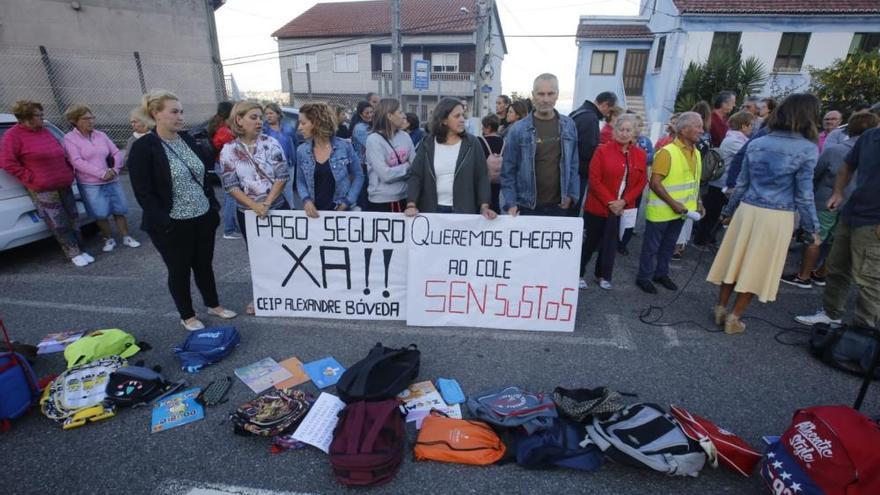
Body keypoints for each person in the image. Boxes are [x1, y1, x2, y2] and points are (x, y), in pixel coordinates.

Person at [708, 93, 822, 334]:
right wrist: (812, 229)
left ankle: (720, 307)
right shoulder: (807, 149)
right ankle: (735, 316)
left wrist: (727, 211)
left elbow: (742, 184)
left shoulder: (759, 142)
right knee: (756, 266)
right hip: (776, 216)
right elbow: (804, 195)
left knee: (734, 260)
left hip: (747, 210)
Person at [127, 90, 237, 331]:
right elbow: (143, 193)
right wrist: (164, 221)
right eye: (174, 112)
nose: (180, 116)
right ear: (156, 114)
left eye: (181, 111)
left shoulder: (187, 139)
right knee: (179, 269)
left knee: (204, 264)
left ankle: (213, 305)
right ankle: (187, 315)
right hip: (171, 222)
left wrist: (212, 209)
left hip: (202, 216)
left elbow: (203, 175)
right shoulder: (144, 147)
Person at [795, 119, 880, 331]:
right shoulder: (870, 137)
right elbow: (847, 166)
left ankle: (864, 332)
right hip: (852, 214)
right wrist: (838, 192)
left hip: (874, 222)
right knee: (837, 267)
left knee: (869, 279)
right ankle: (831, 314)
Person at [781, 112, 878, 289]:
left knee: (815, 238)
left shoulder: (835, 150)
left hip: (827, 200)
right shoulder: (872, 151)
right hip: (852, 205)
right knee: (835, 242)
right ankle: (821, 274)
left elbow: (816, 173)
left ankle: (803, 276)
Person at [1, 100, 93, 267]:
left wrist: (66, 168)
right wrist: (29, 177)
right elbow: (7, 162)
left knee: (73, 217)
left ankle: (82, 248)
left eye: (42, 114)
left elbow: (60, 152)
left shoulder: (44, 131)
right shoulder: (13, 136)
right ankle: (73, 253)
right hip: (43, 187)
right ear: (26, 117)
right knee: (58, 222)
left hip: (63, 181)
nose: (42, 118)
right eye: (38, 115)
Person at [219, 101, 289, 315]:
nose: (259, 121)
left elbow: (282, 175)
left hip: (277, 208)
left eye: (260, 117)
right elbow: (230, 184)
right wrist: (254, 206)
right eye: (253, 117)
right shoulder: (228, 150)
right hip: (248, 214)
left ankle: (289, 293)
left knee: (284, 253)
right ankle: (263, 295)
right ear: (239, 120)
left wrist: (266, 204)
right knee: (258, 257)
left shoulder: (272, 143)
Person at [635, 112, 705, 294]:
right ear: (684, 129)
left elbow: (694, 181)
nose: (702, 130)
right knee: (652, 247)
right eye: (698, 126)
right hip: (663, 210)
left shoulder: (696, 153)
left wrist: (698, 201)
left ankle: (661, 274)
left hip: (681, 210)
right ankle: (644, 277)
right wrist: (673, 203)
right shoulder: (667, 152)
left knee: (669, 245)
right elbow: (655, 183)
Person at [579, 114, 647, 290]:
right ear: (615, 131)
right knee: (590, 242)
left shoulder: (640, 154)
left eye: (628, 130)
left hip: (622, 208)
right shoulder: (602, 150)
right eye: (621, 129)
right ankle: (578, 273)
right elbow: (594, 180)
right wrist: (612, 202)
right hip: (598, 207)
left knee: (610, 244)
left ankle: (602, 275)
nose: (624, 134)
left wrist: (624, 201)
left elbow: (641, 182)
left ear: (634, 133)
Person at [62, 104, 140, 253]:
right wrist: (101, 173)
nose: (91, 121)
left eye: (92, 118)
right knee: (100, 213)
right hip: (90, 184)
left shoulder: (101, 135)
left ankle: (126, 236)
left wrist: (115, 170)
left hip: (112, 178)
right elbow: (76, 161)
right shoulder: (69, 139)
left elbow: (116, 152)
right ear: (74, 121)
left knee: (119, 209)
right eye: (86, 119)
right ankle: (108, 238)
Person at [501, 73, 579, 217]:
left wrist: (571, 195)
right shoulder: (518, 129)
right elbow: (508, 170)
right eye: (541, 94)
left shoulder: (569, 125)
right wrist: (511, 203)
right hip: (525, 206)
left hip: (559, 206)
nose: (545, 99)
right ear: (533, 95)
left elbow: (573, 164)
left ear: (557, 95)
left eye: (550, 94)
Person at [405, 98, 496, 218]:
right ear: (444, 120)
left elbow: (482, 177)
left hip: (464, 212)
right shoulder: (427, 143)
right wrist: (411, 204)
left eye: (463, 115)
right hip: (431, 212)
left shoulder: (473, 143)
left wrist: (484, 206)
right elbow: (416, 175)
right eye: (457, 116)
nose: (462, 120)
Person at [693, 111, 754, 247]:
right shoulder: (734, 141)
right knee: (712, 214)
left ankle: (708, 239)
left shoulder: (737, 139)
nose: (752, 129)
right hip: (721, 183)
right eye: (751, 125)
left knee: (715, 213)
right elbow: (748, 156)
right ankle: (701, 241)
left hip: (724, 183)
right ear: (743, 126)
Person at [295, 102, 364, 218]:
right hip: (314, 215)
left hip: (342, 213)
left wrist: (346, 202)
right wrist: (306, 200)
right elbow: (300, 180)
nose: (299, 128)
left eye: (303, 123)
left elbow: (358, 175)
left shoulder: (345, 147)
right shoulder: (301, 151)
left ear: (317, 123)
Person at [570, 91, 618, 213]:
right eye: (609, 110)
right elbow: (587, 151)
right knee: (572, 211)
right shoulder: (591, 118)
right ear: (605, 105)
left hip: (571, 170)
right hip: (579, 173)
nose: (608, 114)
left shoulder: (578, 112)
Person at [364, 98, 414, 212]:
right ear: (389, 116)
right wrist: (407, 166)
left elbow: (415, 166)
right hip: (381, 201)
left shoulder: (405, 136)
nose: (404, 116)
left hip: (404, 197)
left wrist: (405, 168)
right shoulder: (374, 140)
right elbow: (385, 175)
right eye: (400, 112)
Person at [617, 112, 653, 255]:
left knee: (630, 215)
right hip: (620, 186)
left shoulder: (645, 141)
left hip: (635, 188)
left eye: (637, 125)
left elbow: (652, 155)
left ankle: (623, 242)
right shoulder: (620, 142)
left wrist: (643, 157)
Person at [207, 101, 240, 239]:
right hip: (225, 166)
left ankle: (231, 225)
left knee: (230, 196)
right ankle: (229, 229)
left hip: (221, 165)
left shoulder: (220, 127)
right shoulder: (224, 131)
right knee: (231, 196)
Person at [263, 102, 298, 208]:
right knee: (274, 190)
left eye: (271, 113)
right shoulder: (264, 130)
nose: (268, 116)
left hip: (288, 164)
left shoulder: (288, 128)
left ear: (278, 114)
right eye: (266, 114)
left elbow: (295, 143)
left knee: (288, 189)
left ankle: (290, 211)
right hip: (271, 166)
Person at [479, 114, 505, 213]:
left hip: (484, 179)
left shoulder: (480, 141)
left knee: (484, 203)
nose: (482, 128)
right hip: (498, 179)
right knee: (495, 200)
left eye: (483, 126)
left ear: (488, 127)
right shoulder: (503, 142)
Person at [350, 100, 374, 208]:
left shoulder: (368, 126)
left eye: (371, 112)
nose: (370, 115)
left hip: (366, 163)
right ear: (360, 114)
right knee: (363, 192)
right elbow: (369, 144)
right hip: (361, 164)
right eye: (367, 113)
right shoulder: (360, 128)